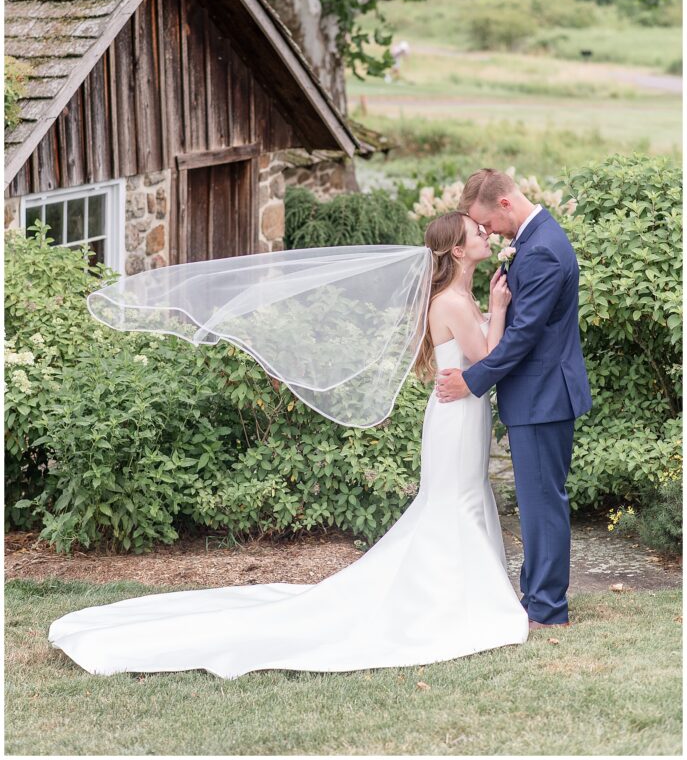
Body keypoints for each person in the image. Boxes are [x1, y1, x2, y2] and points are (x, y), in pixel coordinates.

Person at [48, 211, 529, 680]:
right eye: (476, 231)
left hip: (464, 411)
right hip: (456, 418)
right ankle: (453, 599)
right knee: (452, 501)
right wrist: (501, 310)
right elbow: (487, 356)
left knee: (462, 497)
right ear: (459, 249)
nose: (486, 233)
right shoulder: (450, 300)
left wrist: (490, 310)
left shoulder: (459, 293)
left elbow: (477, 356)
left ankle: (460, 591)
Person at [435, 169, 592, 629]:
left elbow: (523, 336)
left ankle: (547, 608)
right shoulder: (535, 237)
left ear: (504, 204)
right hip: (538, 395)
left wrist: (472, 380)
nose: (486, 232)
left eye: (486, 223)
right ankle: (536, 597)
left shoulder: (541, 248)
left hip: (543, 396)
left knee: (542, 502)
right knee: (538, 499)